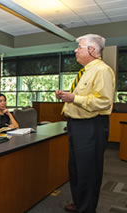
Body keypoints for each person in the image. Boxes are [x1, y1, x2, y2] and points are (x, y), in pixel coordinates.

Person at [55, 34, 115, 213]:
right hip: (77, 126)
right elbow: (84, 97)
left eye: (79, 47)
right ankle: (80, 202)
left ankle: (87, 208)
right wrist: (69, 97)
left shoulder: (102, 70)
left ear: (91, 50)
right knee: (76, 169)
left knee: (88, 171)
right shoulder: (86, 71)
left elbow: (104, 102)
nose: (75, 50)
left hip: (91, 126)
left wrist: (74, 98)